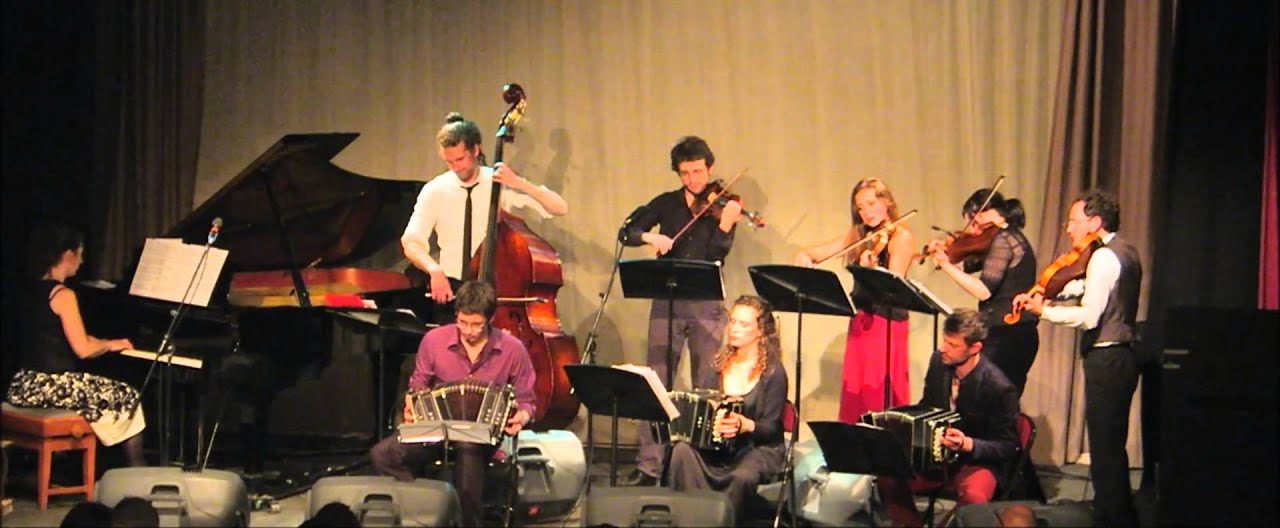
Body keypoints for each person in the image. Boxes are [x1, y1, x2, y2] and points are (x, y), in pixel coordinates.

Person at [1012, 190, 1141, 526]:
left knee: (1105, 451)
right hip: (1121, 357)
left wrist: (1046, 310)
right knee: (1110, 448)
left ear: (1095, 222)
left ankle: (1113, 519)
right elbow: (1089, 287)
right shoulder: (1123, 250)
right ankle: (1118, 514)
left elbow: (1090, 316)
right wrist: (1053, 290)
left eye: (1074, 221)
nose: (1068, 228)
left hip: (1108, 358)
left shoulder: (1102, 257)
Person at [620, 135, 745, 485]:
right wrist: (650, 238)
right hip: (667, 300)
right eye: (686, 173)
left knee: (708, 381)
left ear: (710, 167)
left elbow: (719, 253)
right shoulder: (666, 203)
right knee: (656, 381)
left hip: (707, 302)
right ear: (678, 173)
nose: (694, 180)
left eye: (699, 171)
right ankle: (650, 465)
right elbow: (628, 230)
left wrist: (725, 224)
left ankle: (704, 460)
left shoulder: (725, 203)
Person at [368, 280, 535, 527]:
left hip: (482, 438)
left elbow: (527, 400)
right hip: (435, 431)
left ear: (489, 319)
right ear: (455, 314)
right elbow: (418, 385)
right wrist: (412, 403)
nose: (468, 330)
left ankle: (467, 522)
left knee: (468, 449)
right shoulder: (434, 340)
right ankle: (426, 509)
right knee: (381, 454)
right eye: (463, 322)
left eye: (476, 324)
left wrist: (521, 417)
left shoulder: (512, 350)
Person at [5, 222, 146, 466]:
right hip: (52, 384)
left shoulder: (31, 290)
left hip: (25, 384)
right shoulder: (64, 295)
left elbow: (67, 337)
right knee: (129, 396)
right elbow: (83, 349)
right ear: (68, 254)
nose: (81, 261)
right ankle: (137, 470)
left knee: (107, 393)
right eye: (80, 254)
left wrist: (106, 342)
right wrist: (111, 346)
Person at [401, 112, 569, 309]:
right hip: (453, 290)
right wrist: (433, 269)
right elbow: (411, 242)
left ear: (476, 150)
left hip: (496, 287)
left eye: (460, 159)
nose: (455, 167)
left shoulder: (498, 182)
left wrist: (520, 183)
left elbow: (559, 208)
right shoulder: (434, 189)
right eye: (449, 161)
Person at [875, 308, 1020, 527]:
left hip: (975, 461)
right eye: (945, 341)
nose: (943, 348)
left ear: (975, 348)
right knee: (887, 477)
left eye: (953, 345)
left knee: (973, 497)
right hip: (934, 458)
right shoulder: (938, 362)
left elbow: (1008, 446)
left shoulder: (999, 387)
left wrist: (966, 443)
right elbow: (927, 406)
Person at [794, 177, 915, 421]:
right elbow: (819, 251)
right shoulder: (861, 235)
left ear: (887, 202)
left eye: (871, 203)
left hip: (886, 322)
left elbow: (893, 284)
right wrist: (804, 255)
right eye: (860, 207)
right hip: (861, 319)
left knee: (877, 390)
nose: (866, 212)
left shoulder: (900, 237)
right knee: (856, 389)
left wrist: (869, 270)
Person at [664, 295, 788, 520]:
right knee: (681, 452)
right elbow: (703, 409)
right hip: (717, 447)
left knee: (743, 476)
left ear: (760, 331)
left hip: (755, 448)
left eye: (744, 324)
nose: (735, 329)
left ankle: (724, 522)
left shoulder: (773, 372)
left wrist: (744, 425)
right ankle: (687, 520)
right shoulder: (717, 365)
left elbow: (770, 429)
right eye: (732, 321)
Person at [926, 189, 1039, 395]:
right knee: (995, 404)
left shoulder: (1004, 240)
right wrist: (945, 258)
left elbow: (984, 291)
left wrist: (947, 265)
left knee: (994, 403)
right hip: (1014, 332)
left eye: (972, 221)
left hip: (1008, 335)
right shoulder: (1006, 237)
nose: (973, 231)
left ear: (981, 213)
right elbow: (966, 267)